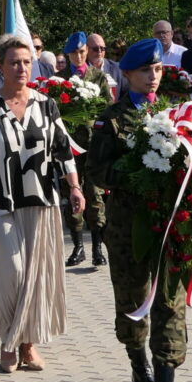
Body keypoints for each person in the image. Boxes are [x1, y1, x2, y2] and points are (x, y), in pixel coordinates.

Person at [87, 38, 191, 382]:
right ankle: (137, 365)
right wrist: (135, 174)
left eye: (158, 69)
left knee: (169, 301)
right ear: (127, 74)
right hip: (127, 227)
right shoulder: (110, 120)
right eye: (145, 70)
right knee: (132, 300)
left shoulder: (175, 115)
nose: (153, 77)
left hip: (168, 225)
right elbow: (97, 171)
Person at [0, 35, 82, 373]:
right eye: (14, 62)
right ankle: (8, 340)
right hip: (1, 203)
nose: (21, 67)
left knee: (36, 276)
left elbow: (63, 151)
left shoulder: (46, 104)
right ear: (0, 66)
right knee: (12, 273)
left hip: (42, 201)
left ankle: (26, 346)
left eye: (26, 61)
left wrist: (75, 188)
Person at [60, 31, 112, 266]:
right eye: (73, 53)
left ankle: (98, 247)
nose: (78, 57)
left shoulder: (98, 77)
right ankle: (78, 246)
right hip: (69, 147)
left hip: (93, 145)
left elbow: (108, 108)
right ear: (68, 54)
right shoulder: (59, 79)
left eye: (82, 52)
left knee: (95, 196)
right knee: (72, 193)